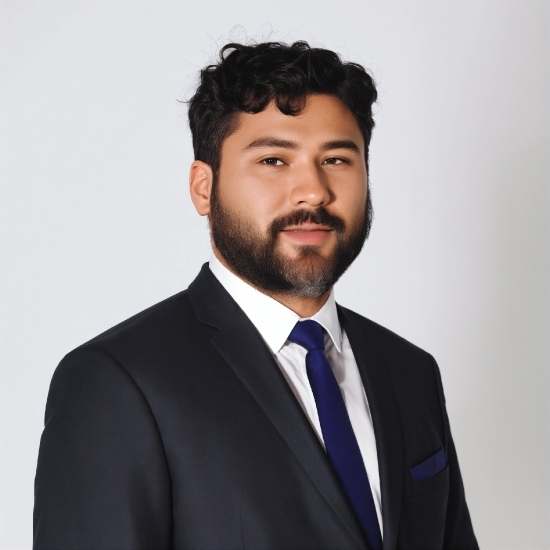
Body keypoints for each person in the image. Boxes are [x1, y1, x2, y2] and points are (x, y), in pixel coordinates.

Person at [33, 41, 478, 549]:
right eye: (273, 160)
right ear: (204, 187)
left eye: (335, 159)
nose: (312, 191)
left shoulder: (411, 373)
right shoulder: (117, 382)